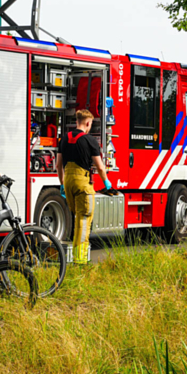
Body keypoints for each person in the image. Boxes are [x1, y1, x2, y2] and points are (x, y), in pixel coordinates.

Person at [57, 109, 118, 264]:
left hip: (68, 182)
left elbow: (58, 165)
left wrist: (62, 184)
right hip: (83, 183)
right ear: (88, 123)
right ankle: (80, 259)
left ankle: (77, 256)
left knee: (77, 218)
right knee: (83, 221)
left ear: (77, 121)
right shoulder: (90, 140)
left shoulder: (64, 139)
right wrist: (107, 183)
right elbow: (100, 167)